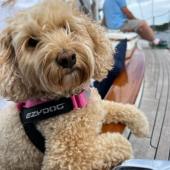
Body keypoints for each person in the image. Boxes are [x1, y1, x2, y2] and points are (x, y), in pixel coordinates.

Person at [103, 0, 167, 47]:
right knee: (143, 23)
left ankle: (152, 40)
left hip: (111, 27)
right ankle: (155, 41)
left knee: (136, 28)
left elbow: (105, 18)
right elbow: (127, 12)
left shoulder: (106, 2)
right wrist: (136, 20)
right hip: (119, 25)